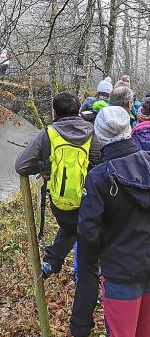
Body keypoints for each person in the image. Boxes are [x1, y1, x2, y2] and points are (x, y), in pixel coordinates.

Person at [71, 106, 150, 337]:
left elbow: (88, 232)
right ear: (129, 129)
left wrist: (90, 267)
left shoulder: (98, 178)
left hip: (120, 272)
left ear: (100, 136)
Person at [15, 92, 101, 278]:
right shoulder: (92, 132)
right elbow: (100, 164)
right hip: (89, 201)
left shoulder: (48, 133)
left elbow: (21, 165)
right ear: (79, 111)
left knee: (72, 226)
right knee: (81, 227)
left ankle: (53, 262)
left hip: (60, 205)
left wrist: (45, 166)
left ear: (54, 112)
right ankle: (74, 266)